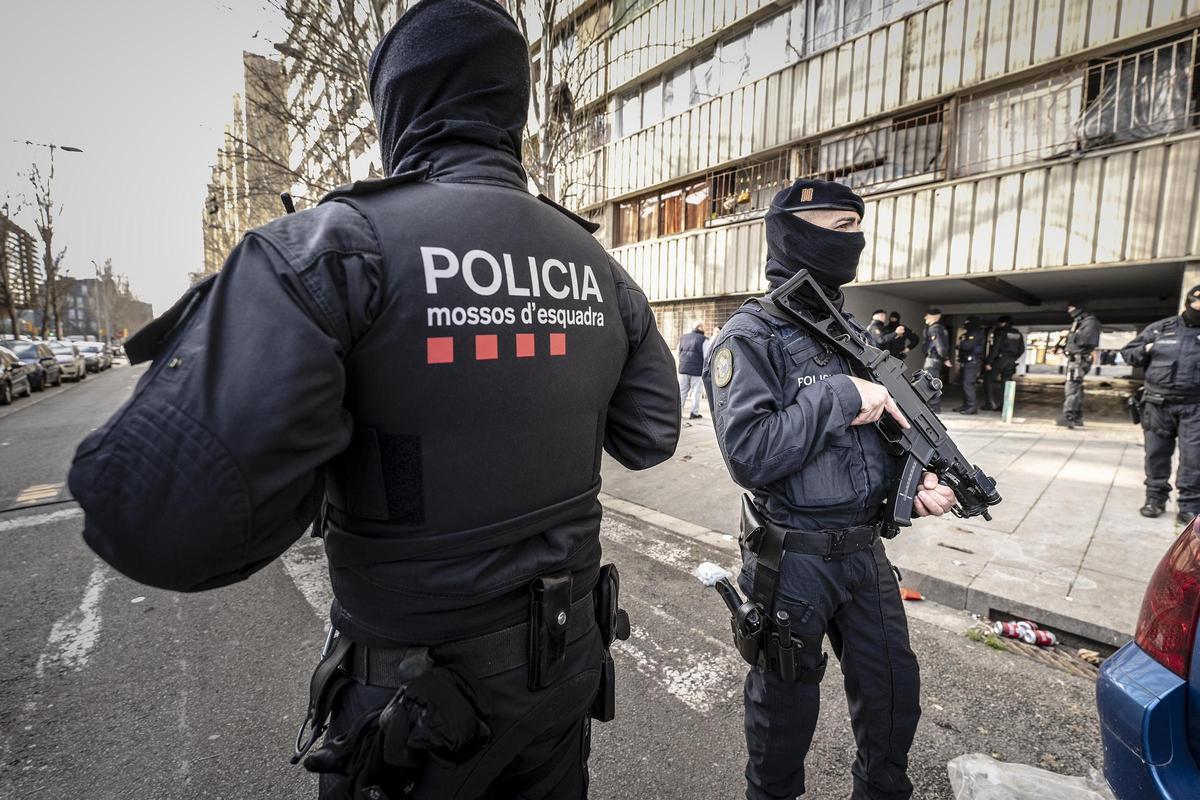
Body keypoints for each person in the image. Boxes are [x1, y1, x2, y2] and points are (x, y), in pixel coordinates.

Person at [67, 2, 681, 797]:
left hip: (414, 714)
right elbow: (651, 434)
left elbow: (153, 517)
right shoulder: (599, 269)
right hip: (560, 680)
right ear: (512, 106)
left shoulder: (333, 250)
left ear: (396, 105)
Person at [704, 178, 956, 800]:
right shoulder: (750, 335)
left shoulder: (850, 334)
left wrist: (915, 484)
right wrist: (840, 396)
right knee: (783, 714)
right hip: (795, 559)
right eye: (841, 227)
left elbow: (874, 440)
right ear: (796, 234)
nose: (855, 240)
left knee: (893, 696)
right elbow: (750, 454)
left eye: (858, 227)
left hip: (866, 553)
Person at [1122, 285, 1200, 523]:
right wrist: (1147, 348)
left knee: (1195, 458)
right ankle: (1155, 498)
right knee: (1155, 454)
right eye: (1197, 301)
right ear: (1189, 302)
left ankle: (1190, 506)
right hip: (1158, 404)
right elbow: (1129, 353)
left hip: (1195, 407)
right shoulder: (1161, 328)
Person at [1058, 301, 1101, 429]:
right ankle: (1077, 417)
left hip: (1079, 360)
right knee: (1076, 388)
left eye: (1071, 308)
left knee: (1072, 388)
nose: (1069, 311)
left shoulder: (1090, 322)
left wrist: (1070, 334)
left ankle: (1069, 416)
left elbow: (1085, 340)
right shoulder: (1081, 322)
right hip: (1077, 359)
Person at [982, 316, 1024, 412]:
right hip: (1011, 361)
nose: (998, 325)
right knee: (1006, 383)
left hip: (1000, 360)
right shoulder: (1018, 334)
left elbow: (995, 348)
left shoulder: (1000, 332)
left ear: (1003, 323)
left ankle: (990, 403)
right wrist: (1013, 358)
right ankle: (1004, 405)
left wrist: (989, 362)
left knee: (988, 380)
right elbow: (1022, 349)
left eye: (999, 323)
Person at [954, 316, 985, 415]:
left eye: (968, 322)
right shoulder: (968, 334)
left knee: (968, 384)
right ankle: (966, 405)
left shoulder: (976, 334)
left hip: (972, 362)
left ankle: (972, 406)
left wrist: (962, 342)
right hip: (966, 362)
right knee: (964, 384)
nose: (966, 324)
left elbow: (966, 346)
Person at [922, 308, 951, 412]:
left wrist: (945, 358)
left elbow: (940, 346)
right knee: (931, 381)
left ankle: (934, 407)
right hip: (934, 359)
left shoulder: (935, 329)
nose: (925, 317)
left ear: (935, 316)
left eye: (928, 315)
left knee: (931, 382)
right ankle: (933, 406)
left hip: (933, 359)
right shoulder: (939, 328)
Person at [679, 322, 708, 419]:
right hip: (697, 370)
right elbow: (707, 355)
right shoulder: (703, 339)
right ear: (700, 327)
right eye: (704, 327)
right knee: (696, 392)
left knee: (682, 392)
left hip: (683, 369)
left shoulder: (683, 338)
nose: (705, 328)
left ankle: (678, 413)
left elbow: (679, 352)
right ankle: (694, 413)